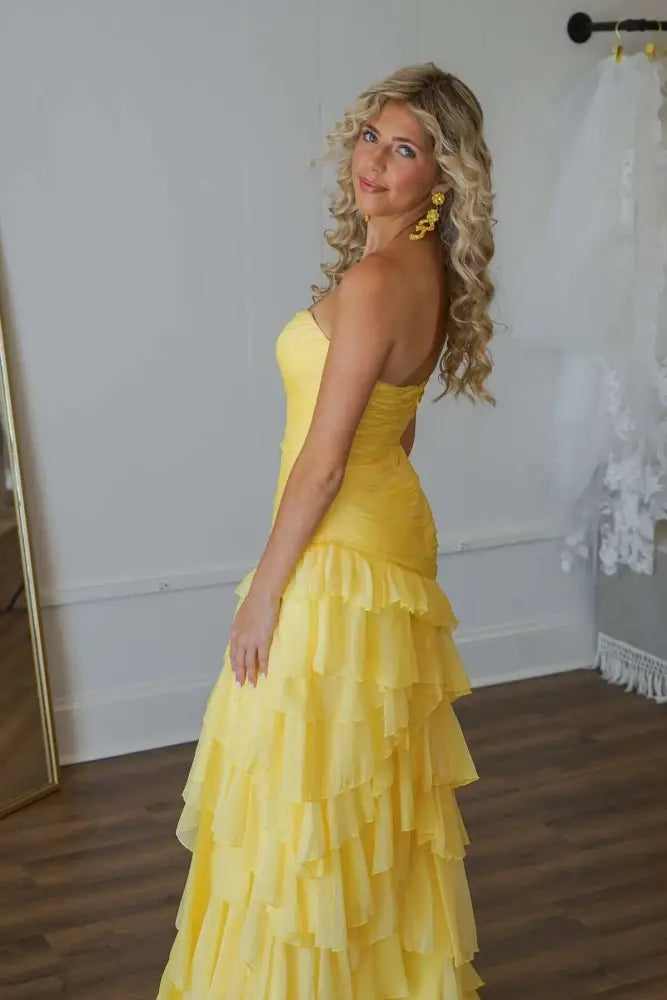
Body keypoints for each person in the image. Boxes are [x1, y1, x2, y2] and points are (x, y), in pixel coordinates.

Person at [156, 62, 495, 1000]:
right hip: (384, 545)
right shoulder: (419, 274)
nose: (374, 163)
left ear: (443, 176)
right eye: (370, 138)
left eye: (405, 150)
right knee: (360, 796)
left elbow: (322, 462)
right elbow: (398, 426)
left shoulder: (380, 280)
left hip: (337, 560)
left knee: (298, 800)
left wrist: (264, 591)